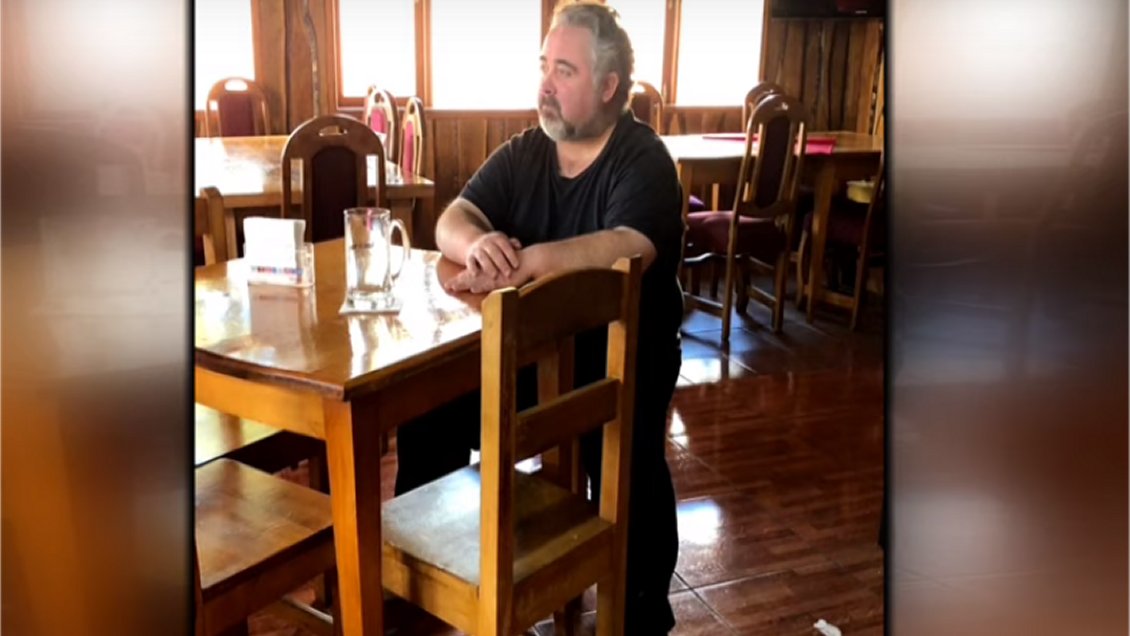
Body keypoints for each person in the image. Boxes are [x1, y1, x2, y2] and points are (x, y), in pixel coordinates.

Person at [394, 2, 685, 632]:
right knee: (426, 413)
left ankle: (641, 612)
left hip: (620, 364)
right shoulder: (528, 151)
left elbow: (631, 246)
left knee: (627, 462)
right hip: (529, 360)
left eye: (565, 71)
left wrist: (527, 263)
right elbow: (452, 218)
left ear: (608, 86)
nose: (546, 84)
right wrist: (477, 243)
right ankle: (418, 594)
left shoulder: (643, 159)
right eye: (544, 66)